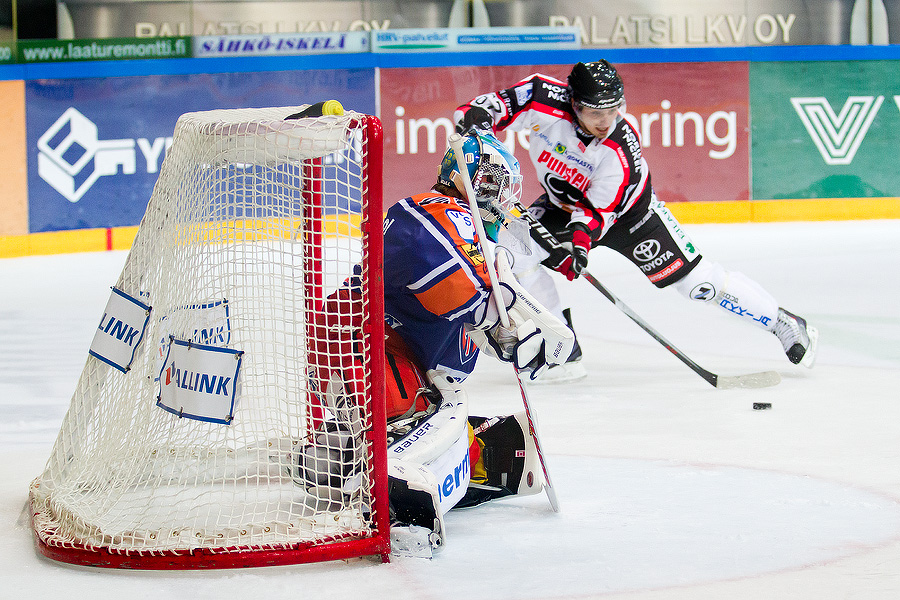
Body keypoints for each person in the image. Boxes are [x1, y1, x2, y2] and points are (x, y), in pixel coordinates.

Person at [297, 132, 575, 557]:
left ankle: (347, 455)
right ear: (473, 180)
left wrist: (505, 335)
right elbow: (459, 287)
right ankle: (378, 475)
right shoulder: (428, 212)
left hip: (391, 352)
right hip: (363, 349)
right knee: (416, 412)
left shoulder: (468, 228)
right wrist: (501, 316)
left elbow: (465, 301)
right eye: (497, 184)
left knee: (440, 408)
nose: (503, 197)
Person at [454, 60, 818, 383]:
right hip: (559, 206)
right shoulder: (541, 95)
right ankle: (564, 349)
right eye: (596, 113)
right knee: (510, 256)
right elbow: (490, 108)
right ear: (574, 103)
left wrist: (576, 250)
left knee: (698, 284)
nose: (605, 121)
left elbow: (596, 214)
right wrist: (478, 124)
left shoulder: (621, 149)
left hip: (632, 217)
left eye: (613, 111)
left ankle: (782, 322)